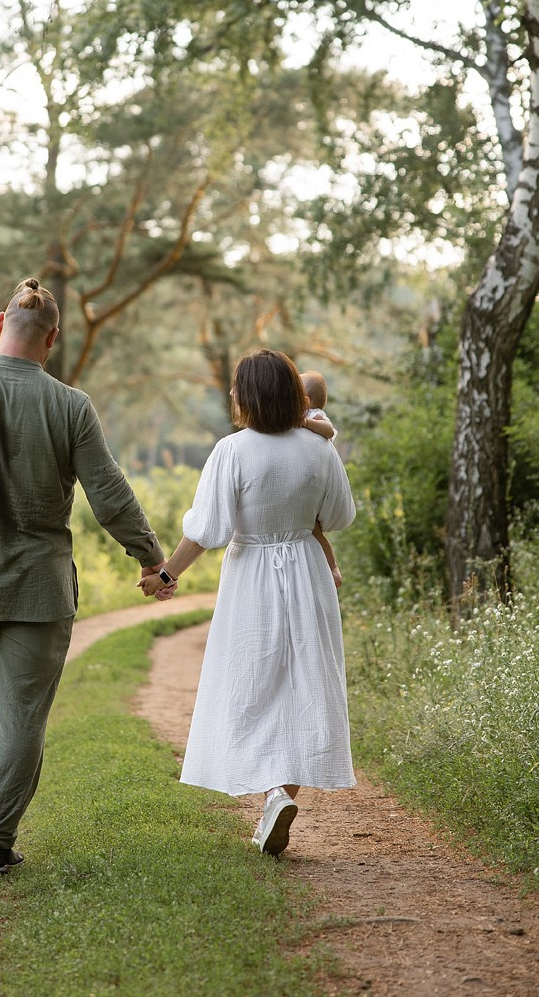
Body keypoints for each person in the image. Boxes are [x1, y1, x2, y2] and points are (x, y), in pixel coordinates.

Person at [0, 278, 164, 882]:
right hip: (37, 592)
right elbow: (109, 493)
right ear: (52, 338)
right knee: (22, 718)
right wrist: (149, 556)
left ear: (1, 328)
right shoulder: (70, 405)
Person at [140, 348, 356, 857]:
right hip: (307, 570)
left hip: (252, 576)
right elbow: (341, 515)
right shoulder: (319, 450)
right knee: (304, 684)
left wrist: (166, 572)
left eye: (238, 387)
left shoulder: (232, 451)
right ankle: (280, 793)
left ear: (252, 395)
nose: (233, 394)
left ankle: (270, 794)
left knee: (253, 683)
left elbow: (208, 531)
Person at [300, 370, 343, 589]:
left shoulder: (315, 415)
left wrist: (308, 423)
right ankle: (331, 567)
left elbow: (329, 431)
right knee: (314, 530)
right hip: (307, 480)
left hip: (316, 482)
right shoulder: (301, 414)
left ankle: (333, 567)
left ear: (306, 400)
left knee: (316, 530)